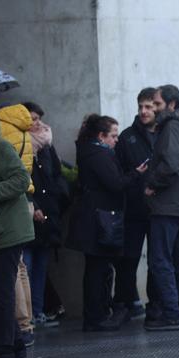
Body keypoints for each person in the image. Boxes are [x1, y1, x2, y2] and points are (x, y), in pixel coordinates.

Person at [67, 115, 147, 331]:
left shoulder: (89, 151)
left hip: (93, 219)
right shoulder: (98, 154)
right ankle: (97, 316)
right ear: (101, 136)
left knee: (98, 269)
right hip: (98, 221)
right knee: (97, 270)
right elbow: (115, 183)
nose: (116, 140)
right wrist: (136, 174)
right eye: (113, 136)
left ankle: (99, 313)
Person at [143, 84, 179, 331]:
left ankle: (172, 313)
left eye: (156, 104)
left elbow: (172, 164)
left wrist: (152, 184)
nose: (154, 109)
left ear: (172, 104)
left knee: (160, 259)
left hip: (167, 204)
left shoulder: (172, 126)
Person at [0, 105, 33, 358]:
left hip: (9, 229)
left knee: (1, 287)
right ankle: (15, 342)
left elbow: (21, 179)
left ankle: (4, 345)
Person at [21, 102, 69, 329]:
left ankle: (38, 312)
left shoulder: (47, 146)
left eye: (38, 118)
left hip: (49, 214)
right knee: (26, 268)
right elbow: (22, 181)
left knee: (41, 267)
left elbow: (57, 175)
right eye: (31, 118)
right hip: (30, 215)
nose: (36, 122)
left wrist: (59, 198)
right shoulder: (19, 144)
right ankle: (26, 316)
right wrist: (34, 205)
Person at [114, 87, 158, 321]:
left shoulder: (164, 133)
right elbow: (118, 173)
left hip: (159, 208)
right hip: (133, 208)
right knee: (128, 258)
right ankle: (123, 303)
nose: (143, 111)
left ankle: (154, 304)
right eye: (141, 106)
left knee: (157, 260)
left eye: (149, 106)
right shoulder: (127, 137)